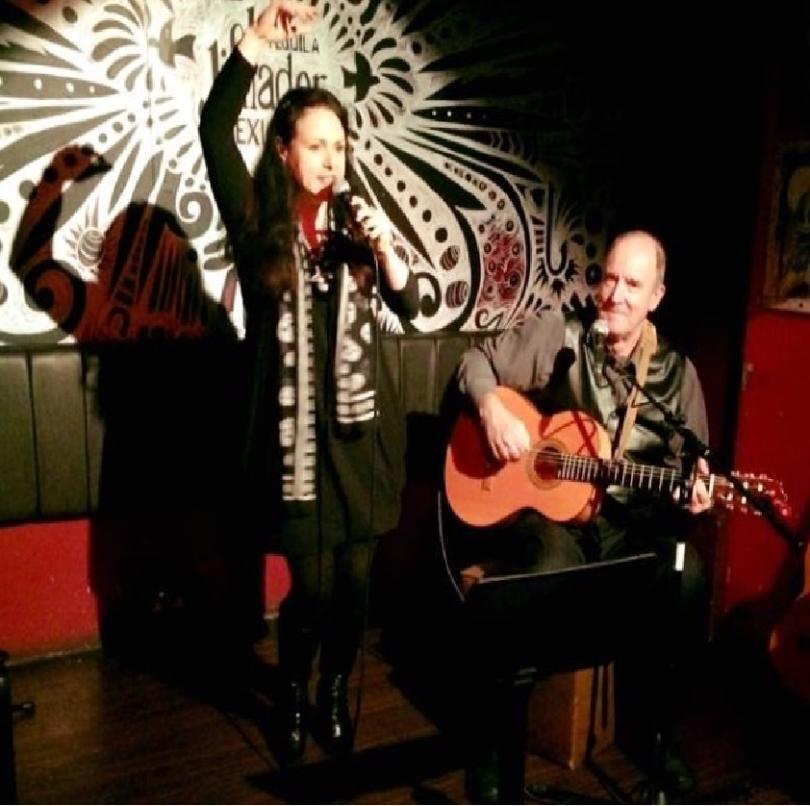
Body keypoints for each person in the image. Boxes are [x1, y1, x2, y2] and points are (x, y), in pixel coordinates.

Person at [199, 0, 419, 762]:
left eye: (340, 144)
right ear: (287, 152)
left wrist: (386, 250)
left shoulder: (359, 221)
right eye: (316, 144)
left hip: (362, 437)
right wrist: (256, 41)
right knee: (315, 588)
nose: (331, 158)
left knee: (356, 589)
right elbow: (213, 130)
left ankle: (333, 687)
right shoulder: (258, 217)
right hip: (294, 449)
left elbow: (410, 300)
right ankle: (293, 688)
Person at [453, 230, 712, 801]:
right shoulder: (562, 334)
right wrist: (492, 405)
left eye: (632, 284)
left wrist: (694, 497)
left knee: (687, 573)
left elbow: (692, 469)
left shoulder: (678, 375)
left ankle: (657, 738)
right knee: (544, 564)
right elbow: (475, 362)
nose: (614, 294)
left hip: (629, 529)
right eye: (609, 278)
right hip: (555, 519)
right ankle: (495, 745)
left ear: (657, 296)